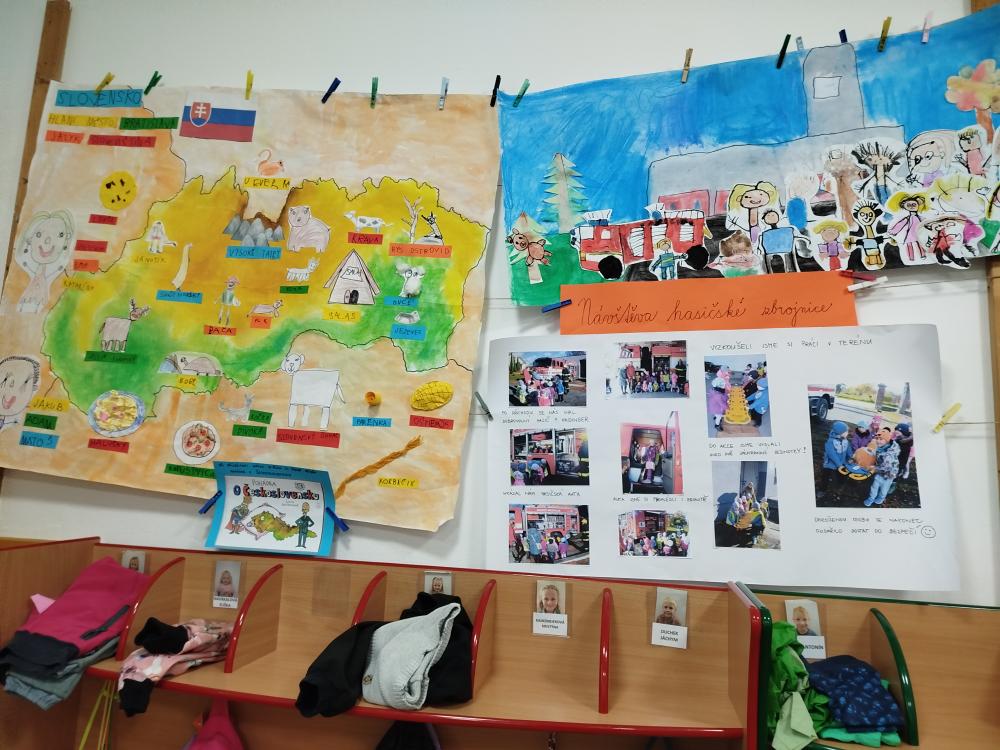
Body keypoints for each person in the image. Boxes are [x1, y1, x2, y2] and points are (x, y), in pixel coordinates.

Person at [865, 427, 901, 507]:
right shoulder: (881, 447)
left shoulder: (889, 455)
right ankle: (871, 498)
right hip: (879, 472)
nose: (878, 441)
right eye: (877, 438)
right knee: (874, 487)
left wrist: (874, 468)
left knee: (884, 490)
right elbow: (878, 455)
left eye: (881, 439)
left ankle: (880, 498)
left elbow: (886, 468)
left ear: (887, 440)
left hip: (888, 475)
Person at [822, 421, 850, 494]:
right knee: (825, 476)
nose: (848, 433)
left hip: (841, 463)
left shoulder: (845, 441)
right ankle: (822, 489)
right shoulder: (830, 442)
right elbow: (832, 455)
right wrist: (839, 465)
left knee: (842, 474)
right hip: (830, 464)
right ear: (840, 433)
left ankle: (839, 486)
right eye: (846, 432)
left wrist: (851, 458)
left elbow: (848, 450)